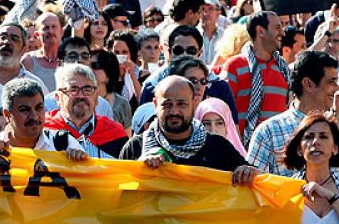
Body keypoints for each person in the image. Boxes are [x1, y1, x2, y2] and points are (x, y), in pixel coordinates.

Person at [121, 76, 259, 184]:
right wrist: (139, 169)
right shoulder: (136, 148)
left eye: (181, 104)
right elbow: (118, 190)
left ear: (194, 104)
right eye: (167, 105)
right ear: (156, 104)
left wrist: (248, 173)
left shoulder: (217, 147)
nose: (174, 111)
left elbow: (259, 182)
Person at [248, 51, 339, 177]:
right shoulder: (269, 131)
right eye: (332, 81)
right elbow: (253, 184)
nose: (337, 88)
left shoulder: (335, 126)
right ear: (308, 84)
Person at [221, 11, 290, 144]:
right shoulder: (235, 65)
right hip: (243, 150)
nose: (283, 33)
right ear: (261, 31)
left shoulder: (283, 69)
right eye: (277, 28)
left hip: (278, 151)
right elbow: (223, 111)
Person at [0, 78, 87, 160]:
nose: (34, 116)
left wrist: (80, 162)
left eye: (39, 108)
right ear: (7, 115)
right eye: (25, 110)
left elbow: (87, 182)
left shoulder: (66, 144)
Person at [45, 63, 128, 158]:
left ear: (96, 97)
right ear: (57, 97)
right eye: (73, 89)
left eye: (87, 89)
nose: (81, 96)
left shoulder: (115, 133)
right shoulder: (43, 131)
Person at [0, 23, 48, 91]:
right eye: (2, 37)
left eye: (14, 39)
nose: (7, 42)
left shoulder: (35, 85)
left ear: (23, 49)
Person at [21, 12, 64, 91]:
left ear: (61, 31)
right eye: (46, 28)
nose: (51, 31)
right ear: (37, 34)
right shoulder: (28, 61)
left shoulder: (70, 60)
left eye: (54, 27)